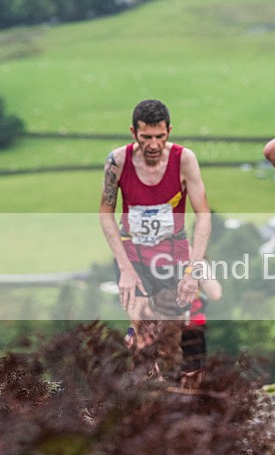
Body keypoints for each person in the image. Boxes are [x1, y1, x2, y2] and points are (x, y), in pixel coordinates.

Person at [99, 99, 212, 385]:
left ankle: (172, 405)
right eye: (146, 137)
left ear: (169, 131)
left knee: (169, 340)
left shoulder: (184, 160)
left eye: (160, 136)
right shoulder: (117, 161)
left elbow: (203, 217)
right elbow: (105, 214)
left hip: (173, 260)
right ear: (133, 132)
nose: (153, 144)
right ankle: (142, 405)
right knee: (144, 334)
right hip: (133, 259)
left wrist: (192, 272)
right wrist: (124, 269)